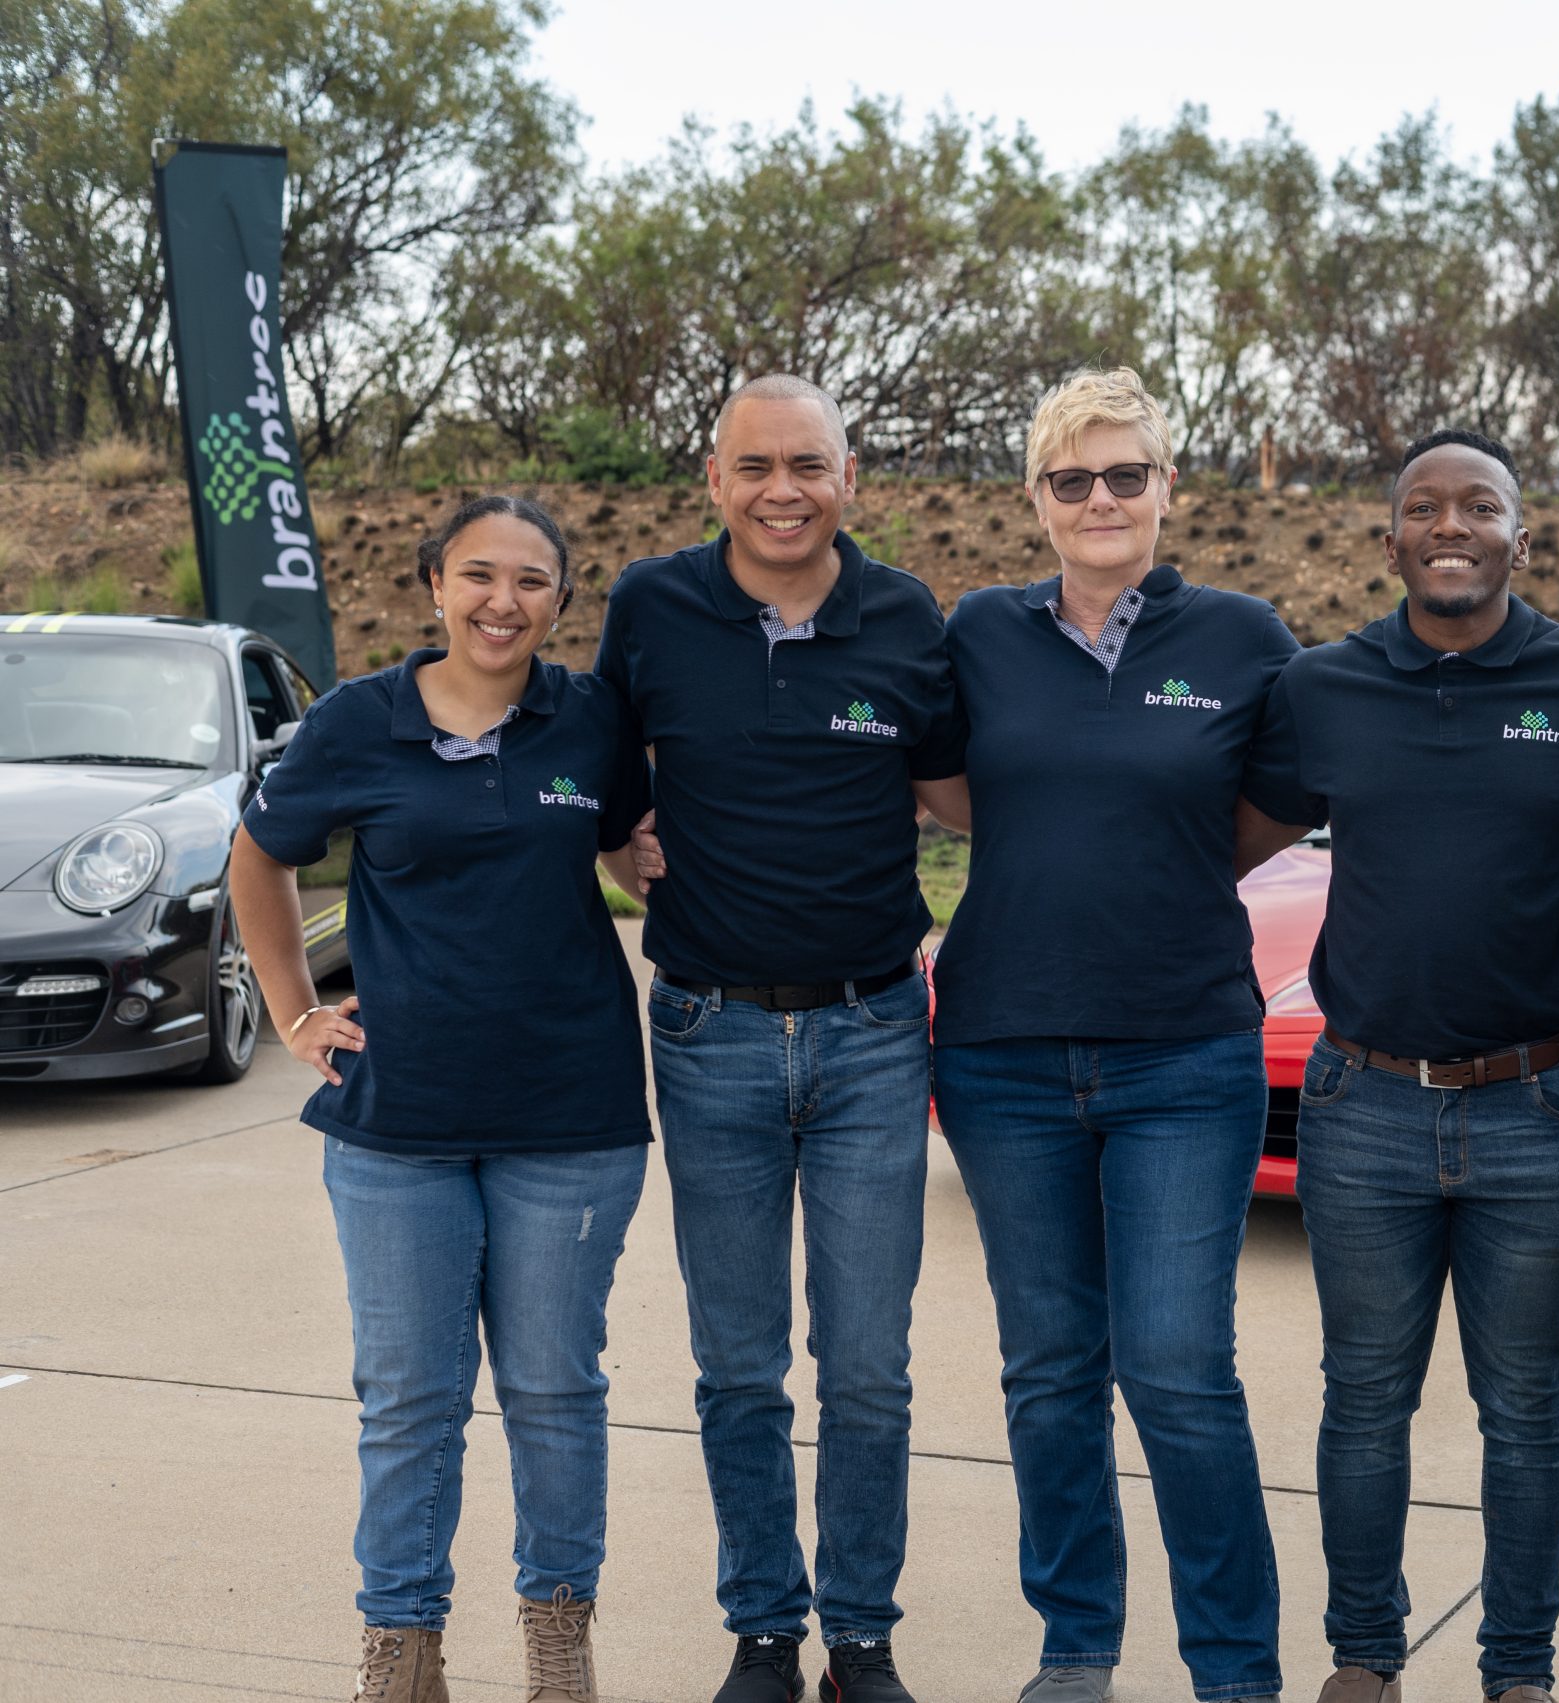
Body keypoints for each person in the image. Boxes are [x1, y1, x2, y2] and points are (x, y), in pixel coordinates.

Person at [1231, 429, 1559, 1703]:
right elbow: (1225, 838)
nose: (1451, 524)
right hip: (1363, 1104)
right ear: (1391, 541)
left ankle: (1515, 1670)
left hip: (1540, 1099)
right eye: (1424, 507)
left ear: (1520, 537)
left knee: (1525, 1409)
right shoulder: (1324, 685)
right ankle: (1364, 1656)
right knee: (1362, 1399)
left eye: (1480, 504)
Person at [229, 493, 654, 1703]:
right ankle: (401, 1652)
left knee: (554, 1389)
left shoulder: (588, 720)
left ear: (560, 602)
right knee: (410, 1396)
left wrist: (644, 855)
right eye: (477, 574)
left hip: (570, 1114)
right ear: (432, 585)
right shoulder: (357, 722)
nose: (502, 601)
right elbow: (258, 857)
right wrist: (291, 1004)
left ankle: (558, 1643)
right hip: (397, 1122)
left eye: (531, 581)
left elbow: (632, 834)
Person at [929, 367, 1300, 1703]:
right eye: (1071, 478)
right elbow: (946, 783)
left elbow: (1275, 807)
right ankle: (1076, 1644)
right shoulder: (978, 631)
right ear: (1036, 497)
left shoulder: (1248, 637)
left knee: (1180, 1366)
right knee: (1049, 1370)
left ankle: (1234, 1667)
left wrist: (1162, 847)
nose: (1100, 499)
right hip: (1001, 1052)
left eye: (1125, 473)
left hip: (1183, 1053)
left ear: (1167, 486)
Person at [595, 375, 968, 1703]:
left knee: (868, 1362)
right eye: (755, 466)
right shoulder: (652, 606)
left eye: (807, 463)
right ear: (715, 478)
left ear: (848, 474)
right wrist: (611, 835)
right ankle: (765, 1622)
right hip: (708, 1032)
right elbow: (595, 761)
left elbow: (963, 786)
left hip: (875, 1030)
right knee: (738, 1361)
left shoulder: (908, 617)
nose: (782, 489)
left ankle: (860, 1631)